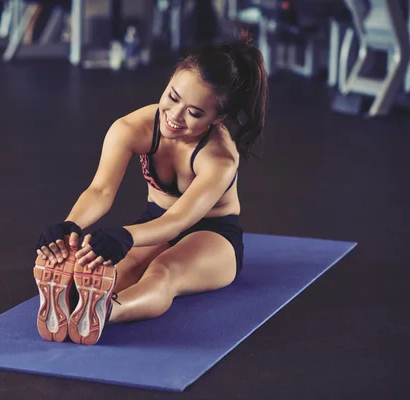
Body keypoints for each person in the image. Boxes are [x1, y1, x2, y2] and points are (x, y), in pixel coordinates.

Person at [33, 31, 268, 345]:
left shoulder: (220, 159)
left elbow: (180, 219)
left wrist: (128, 235)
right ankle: (78, 300)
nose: (175, 116)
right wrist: (70, 224)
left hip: (212, 235)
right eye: (172, 96)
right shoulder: (131, 128)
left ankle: (102, 312)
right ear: (169, 80)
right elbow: (100, 191)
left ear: (218, 118)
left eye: (195, 113)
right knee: (120, 267)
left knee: (164, 271)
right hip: (153, 222)